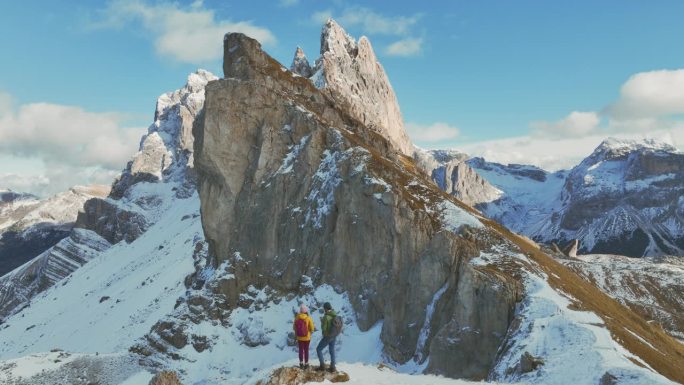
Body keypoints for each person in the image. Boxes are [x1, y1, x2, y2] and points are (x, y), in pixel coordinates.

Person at [316, 302, 337, 372]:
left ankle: (322, 366)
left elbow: (324, 328)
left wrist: (322, 322)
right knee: (332, 351)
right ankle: (333, 367)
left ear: (325, 308)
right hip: (334, 335)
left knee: (318, 349)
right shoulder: (334, 314)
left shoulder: (326, 317)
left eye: (324, 308)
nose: (323, 309)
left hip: (328, 336)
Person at [293, 304, 315, 369]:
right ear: (306, 311)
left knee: (300, 350)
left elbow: (294, 327)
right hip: (307, 338)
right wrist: (309, 331)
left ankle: (301, 363)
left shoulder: (297, 318)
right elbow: (312, 328)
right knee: (306, 350)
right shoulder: (308, 318)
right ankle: (306, 364)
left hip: (299, 337)